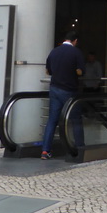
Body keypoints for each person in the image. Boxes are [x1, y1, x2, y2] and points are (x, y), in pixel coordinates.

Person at [41, 31, 85, 159]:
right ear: (75, 41)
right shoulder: (76, 53)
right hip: (69, 90)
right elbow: (80, 72)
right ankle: (80, 148)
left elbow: (48, 71)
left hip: (54, 89)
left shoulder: (54, 52)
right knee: (76, 120)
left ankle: (45, 150)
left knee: (52, 120)